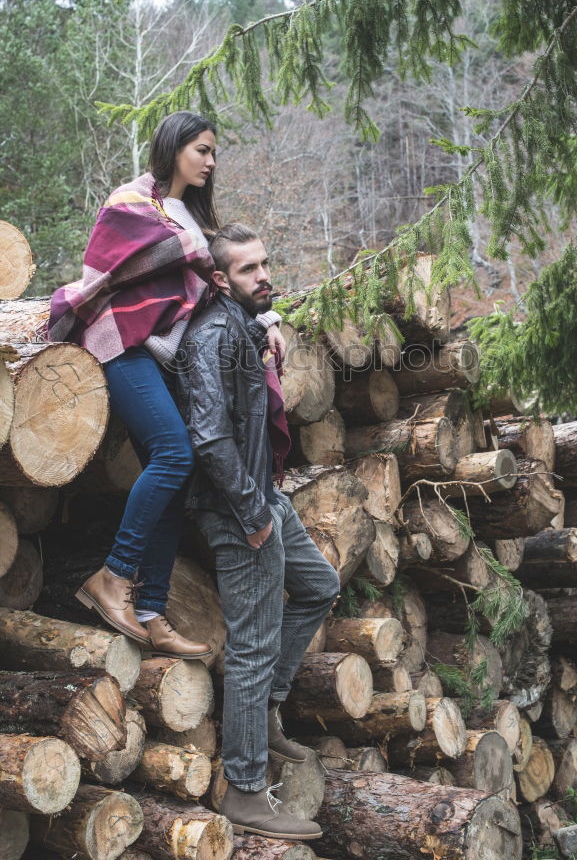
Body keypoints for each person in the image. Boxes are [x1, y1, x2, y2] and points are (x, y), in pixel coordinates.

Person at [47, 112, 284, 658]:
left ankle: (152, 610)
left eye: (214, 153)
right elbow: (106, 271)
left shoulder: (192, 219)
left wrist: (268, 320)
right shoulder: (132, 200)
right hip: (119, 344)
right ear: (174, 146)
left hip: (159, 357)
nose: (211, 161)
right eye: (202, 149)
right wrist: (190, 249)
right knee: (176, 454)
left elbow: (223, 282)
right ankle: (114, 575)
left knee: (180, 472)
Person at [176, 222, 340, 841]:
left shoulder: (238, 324)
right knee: (251, 646)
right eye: (248, 270)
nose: (264, 275)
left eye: (265, 263)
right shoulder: (211, 336)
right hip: (237, 507)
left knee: (320, 587)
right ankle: (246, 791)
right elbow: (210, 437)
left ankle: (267, 710)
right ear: (219, 279)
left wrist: (263, 332)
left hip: (263, 495)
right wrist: (251, 515)